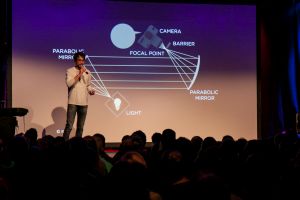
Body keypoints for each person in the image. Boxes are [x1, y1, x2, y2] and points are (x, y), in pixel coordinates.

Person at [63, 52, 95, 140]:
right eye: (79, 60)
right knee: (69, 126)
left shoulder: (87, 72)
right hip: (73, 102)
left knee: (80, 127)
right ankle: (63, 145)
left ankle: (78, 147)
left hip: (84, 103)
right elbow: (69, 84)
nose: (81, 62)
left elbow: (88, 85)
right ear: (75, 61)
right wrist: (80, 74)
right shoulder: (70, 71)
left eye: (83, 60)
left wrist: (91, 91)